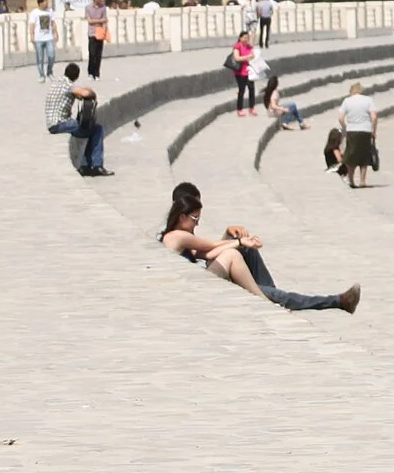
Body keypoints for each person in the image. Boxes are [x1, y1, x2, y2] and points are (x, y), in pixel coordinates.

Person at [159, 182, 359, 313]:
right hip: (198, 285)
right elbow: (210, 248)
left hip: (202, 275)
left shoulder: (181, 234)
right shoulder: (177, 236)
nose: (198, 223)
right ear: (182, 214)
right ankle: (334, 301)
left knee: (244, 250)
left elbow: (206, 253)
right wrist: (238, 242)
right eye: (195, 218)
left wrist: (232, 237)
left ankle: (269, 293)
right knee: (233, 255)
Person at [45, 61, 107, 175]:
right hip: (60, 124)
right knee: (96, 129)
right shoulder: (68, 85)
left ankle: (86, 165)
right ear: (76, 76)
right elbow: (85, 93)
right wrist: (91, 92)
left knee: (87, 129)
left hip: (52, 124)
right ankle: (96, 165)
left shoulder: (58, 82)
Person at [334, 82, 378, 187]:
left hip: (352, 130)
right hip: (366, 130)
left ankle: (351, 180)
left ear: (351, 91)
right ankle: (362, 181)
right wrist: (374, 130)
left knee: (351, 156)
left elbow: (340, 118)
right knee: (364, 155)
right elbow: (374, 117)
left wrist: (345, 127)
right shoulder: (368, 100)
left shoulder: (347, 101)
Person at [228, 31, 257, 117]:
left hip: (249, 71)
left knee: (252, 89)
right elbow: (237, 58)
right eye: (244, 37)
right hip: (240, 72)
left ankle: (251, 107)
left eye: (247, 38)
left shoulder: (249, 46)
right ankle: (239, 109)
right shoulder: (237, 46)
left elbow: (253, 55)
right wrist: (248, 57)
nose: (246, 39)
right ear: (240, 38)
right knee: (242, 90)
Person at [83, 0, 110, 78]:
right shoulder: (88, 7)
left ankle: (97, 73)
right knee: (92, 53)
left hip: (100, 33)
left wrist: (105, 29)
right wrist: (100, 20)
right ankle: (90, 72)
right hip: (92, 33)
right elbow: (90, 21)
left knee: (98, 54)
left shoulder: (103, 8)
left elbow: (105, 20)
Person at [30, 4, 56, 81]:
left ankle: (49, 72)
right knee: (40, 58)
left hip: (49, 37)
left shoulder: (50, 11)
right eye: (45, 2)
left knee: (51, 55)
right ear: (40, 3)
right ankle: (42, 75)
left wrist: (55, 33)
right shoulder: (34, 12)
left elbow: (53, 23)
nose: (46, 4)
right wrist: (32, 35)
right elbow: (32, 25)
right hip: (38, 39)